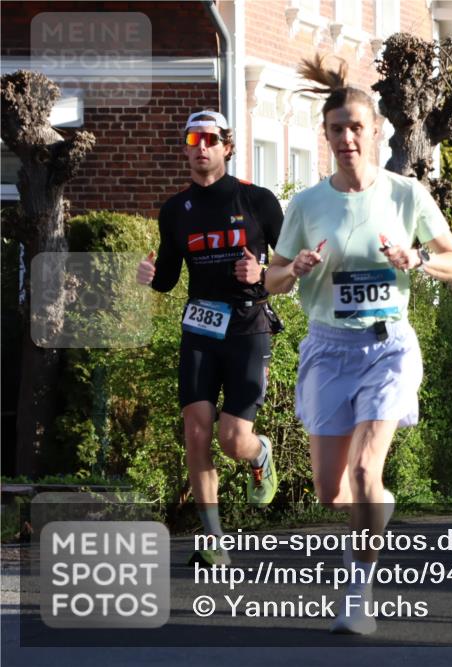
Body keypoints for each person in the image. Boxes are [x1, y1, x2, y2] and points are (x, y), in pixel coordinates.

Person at [264, 57, 452, 634]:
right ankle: (375, 500)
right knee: (332, 491)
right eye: (336, 129)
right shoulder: (306, 205)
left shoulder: (406, 195)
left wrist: (419, 258)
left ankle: (359, 590)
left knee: (361, 471)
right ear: (325, 136)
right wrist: (296, 267)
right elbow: (272, 280)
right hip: (328, 349)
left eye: (357, 127)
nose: (347, 137)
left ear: (376, 130)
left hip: (388, 347)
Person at [136, 110, 283, 566]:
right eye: (193, 139)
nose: (201, 147)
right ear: (185, 147)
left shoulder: (258, 201)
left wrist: (262, 274)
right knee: (196, 431)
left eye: (211, 139)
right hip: (199, 328)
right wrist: (150, 276)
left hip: (247, 326)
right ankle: (213, 537)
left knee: (231, 438)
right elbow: (167, 279)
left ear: (227, 146)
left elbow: (292, 268)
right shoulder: (175, 210)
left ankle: (259, 452)